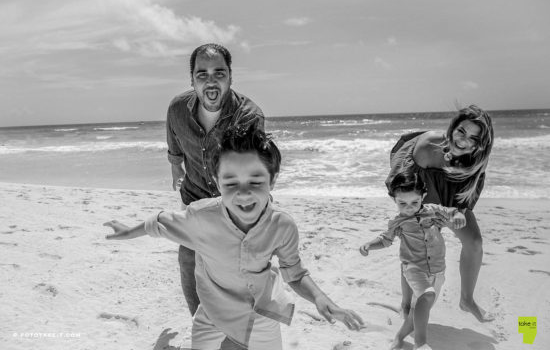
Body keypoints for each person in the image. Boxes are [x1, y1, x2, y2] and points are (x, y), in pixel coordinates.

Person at [104, 125, 364, 350]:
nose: (243, 193)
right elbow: (160, 223)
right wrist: (128, 231)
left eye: (255, 181)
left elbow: (294, 273)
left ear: (273, 180)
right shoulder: (201, 217)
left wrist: (320, 298)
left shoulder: (282, 225)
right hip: (212, 311)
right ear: (217, 182)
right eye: (230, 183)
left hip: (262, 311)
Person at [166, 43, 265, 319]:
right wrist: (175, 166)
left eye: (219, 73)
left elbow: (255, 173)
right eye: (202, 74)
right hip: (195, 197)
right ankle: (202, 325)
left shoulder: (249, 116)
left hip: (236, 205)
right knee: (189, 258)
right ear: (192, 79)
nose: (211, 80)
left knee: (237, 272)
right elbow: (174, 140)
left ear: (230, 76)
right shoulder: (177, 109)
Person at [385, 105, 494, 322]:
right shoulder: (428, 147)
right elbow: (404, 184)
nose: (463, 141)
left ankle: (467, 300)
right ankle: (406, 306)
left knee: (474, 242)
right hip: (420, 184)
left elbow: (466, 192)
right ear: (453, 127)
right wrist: (416, 217)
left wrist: (459, 212)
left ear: (480, 144)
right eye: (461, 131)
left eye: (473, 138)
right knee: (418, 243)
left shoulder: (476, 159)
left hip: (452, 191)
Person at [360, 171, 466, 350]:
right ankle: (420, 343)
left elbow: (451, 211)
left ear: (423, 196)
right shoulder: (397, 221)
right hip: (413, 267)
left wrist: (458, 215)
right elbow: (385, 240)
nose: (409, 207)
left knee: (419, 310)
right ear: (394, 199)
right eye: (402, 203)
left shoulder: (433, 210)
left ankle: (399, 338)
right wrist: (370, 244)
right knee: (427, 295)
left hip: (438, 269)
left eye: (414, 202)